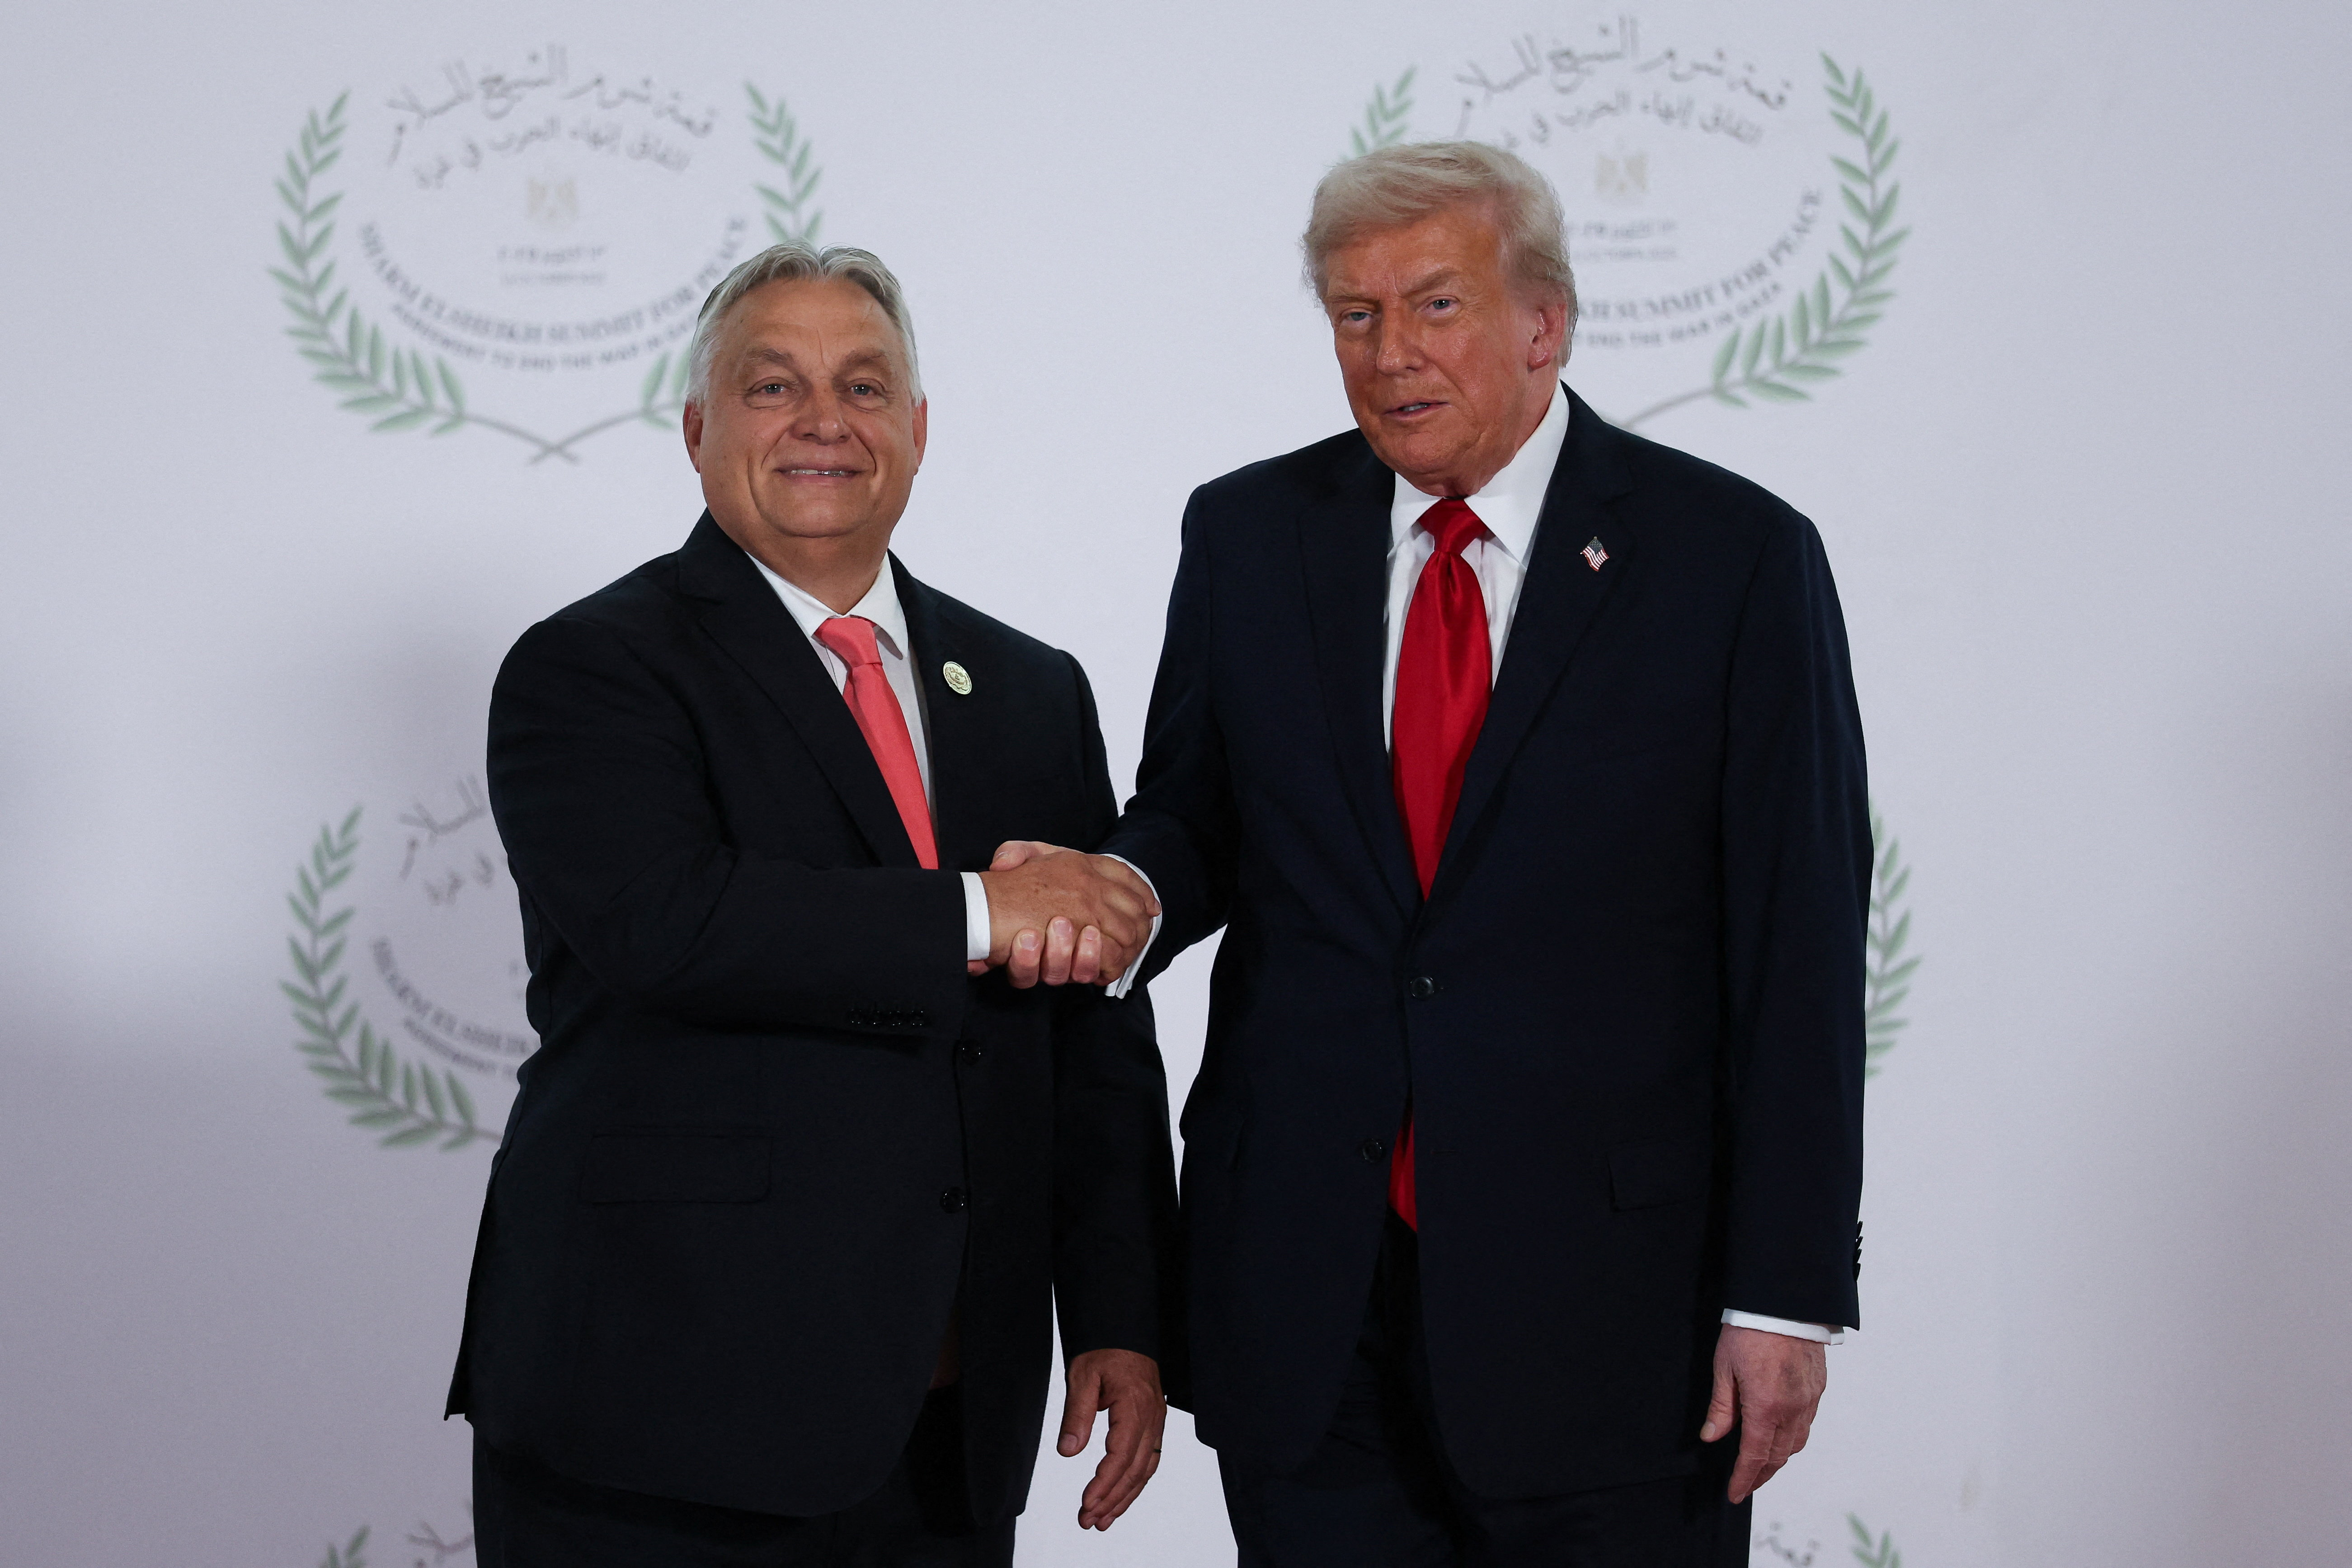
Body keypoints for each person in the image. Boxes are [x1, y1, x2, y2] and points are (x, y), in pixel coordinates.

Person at [996, 141, 1868, 1564]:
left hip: (1613, 1320)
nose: (1390, 352)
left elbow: (1799, 941)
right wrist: (1126, 889)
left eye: (1435, 306)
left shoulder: (1732, 560)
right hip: (1307, 1304)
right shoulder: (1249, 534)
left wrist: (1781, 1294)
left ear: (1544, 324)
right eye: (1355, 314)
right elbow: (1199, 812)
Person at [445, 242, 1179, 1567]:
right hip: (657, 1414)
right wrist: (980, 913)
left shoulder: (1031, 688)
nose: (823, 421)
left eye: (864, 385)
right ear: (697, 429)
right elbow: (668, 925)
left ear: (918, 430)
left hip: (950, 1424)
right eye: (773, 385)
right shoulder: (592, 666)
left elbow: (1094, 1040)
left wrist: (1121, 1314)